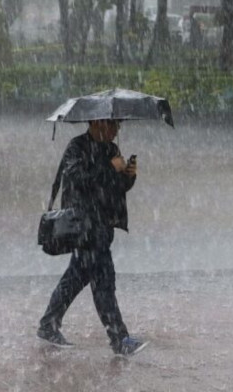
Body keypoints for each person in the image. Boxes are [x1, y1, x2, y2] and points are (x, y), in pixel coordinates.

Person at [38, 119, 149, 356]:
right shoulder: (76, 147)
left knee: (75, 279)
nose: (116, 130)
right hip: (85, 228)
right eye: (113, 125)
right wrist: (110, 167)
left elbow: (115, 187)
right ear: (97, 123)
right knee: (104, 283)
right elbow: (78, 180)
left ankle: (49, 324)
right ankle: (119, 339)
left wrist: (128, 176)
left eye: (118, 126)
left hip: (102, 226)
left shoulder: (111, 149)